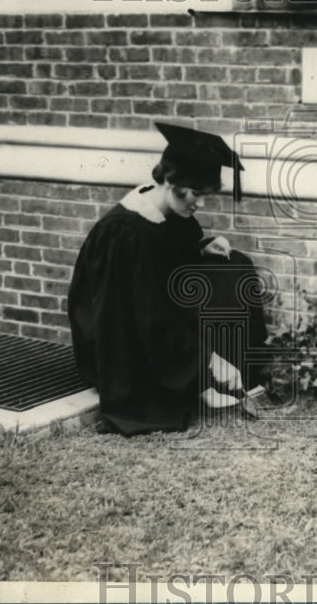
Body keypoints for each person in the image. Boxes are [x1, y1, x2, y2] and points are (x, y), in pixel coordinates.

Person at [68, 121, 268, 435]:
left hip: (155, 315)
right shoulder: (124, 233)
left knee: (234, 266)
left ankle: (234, 375)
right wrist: (208, 361)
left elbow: (168, 264)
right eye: (196, 194)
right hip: (117, 340)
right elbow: (147, 315)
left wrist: (202, 248)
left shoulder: (167, 214)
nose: (200, 204)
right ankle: (202, 379)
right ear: (171, 180)